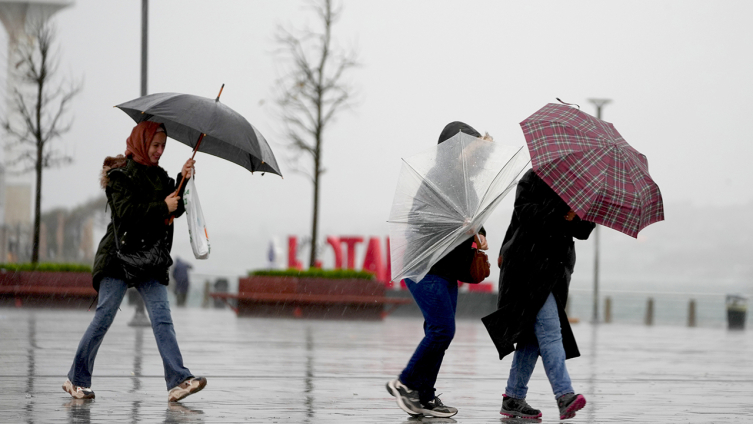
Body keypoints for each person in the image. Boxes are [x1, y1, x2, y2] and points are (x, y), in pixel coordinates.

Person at [63, 121, 207, 402]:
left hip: (149, 260)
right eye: (155, 145)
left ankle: (178, 380)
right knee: (104, 317)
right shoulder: (120, 176)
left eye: (163, 146)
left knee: (162, 318)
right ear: (142, 143)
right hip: (118, 257)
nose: (160, 151)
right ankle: (76, 380)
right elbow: (127, 213)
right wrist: (161, 207)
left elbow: (175, 204)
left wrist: (184, 178)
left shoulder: (161, 177)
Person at [386, 121, 489, 418]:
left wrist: (479, 232)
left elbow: (474, 220)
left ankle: (425, 397)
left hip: (448, 269)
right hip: (425, 266)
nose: (473, 155)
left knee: (438, 332)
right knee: (443, 330)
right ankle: (404, 383)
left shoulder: (467, 184)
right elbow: (418, 217)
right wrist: (460, 222)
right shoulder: (437, 177)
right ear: (454, 149)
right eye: (468, 148)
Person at [482, 168, 595, 420]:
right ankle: (565, 395)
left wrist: (577, 218)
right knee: (550, 330)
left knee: (531, 338)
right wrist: (562, 214)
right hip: (527, 266)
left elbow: (584, 230)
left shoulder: (582, 187)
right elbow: (525, 212)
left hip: (555, 271)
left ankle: (513, 398)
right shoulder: (535, 177)